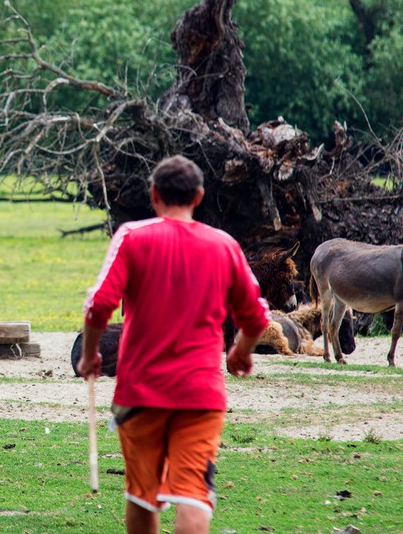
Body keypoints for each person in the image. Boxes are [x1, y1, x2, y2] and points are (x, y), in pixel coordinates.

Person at [77, 155, 269, 534]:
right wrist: (240, 353)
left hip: (139, 392)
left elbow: (99, 304)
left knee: (141, 495)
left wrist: (90, 355)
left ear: (153, 194)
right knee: (194, 494)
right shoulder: (224, 245)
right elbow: (257, 316)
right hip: (200, 395)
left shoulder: (131, 237)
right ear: (198, 196)